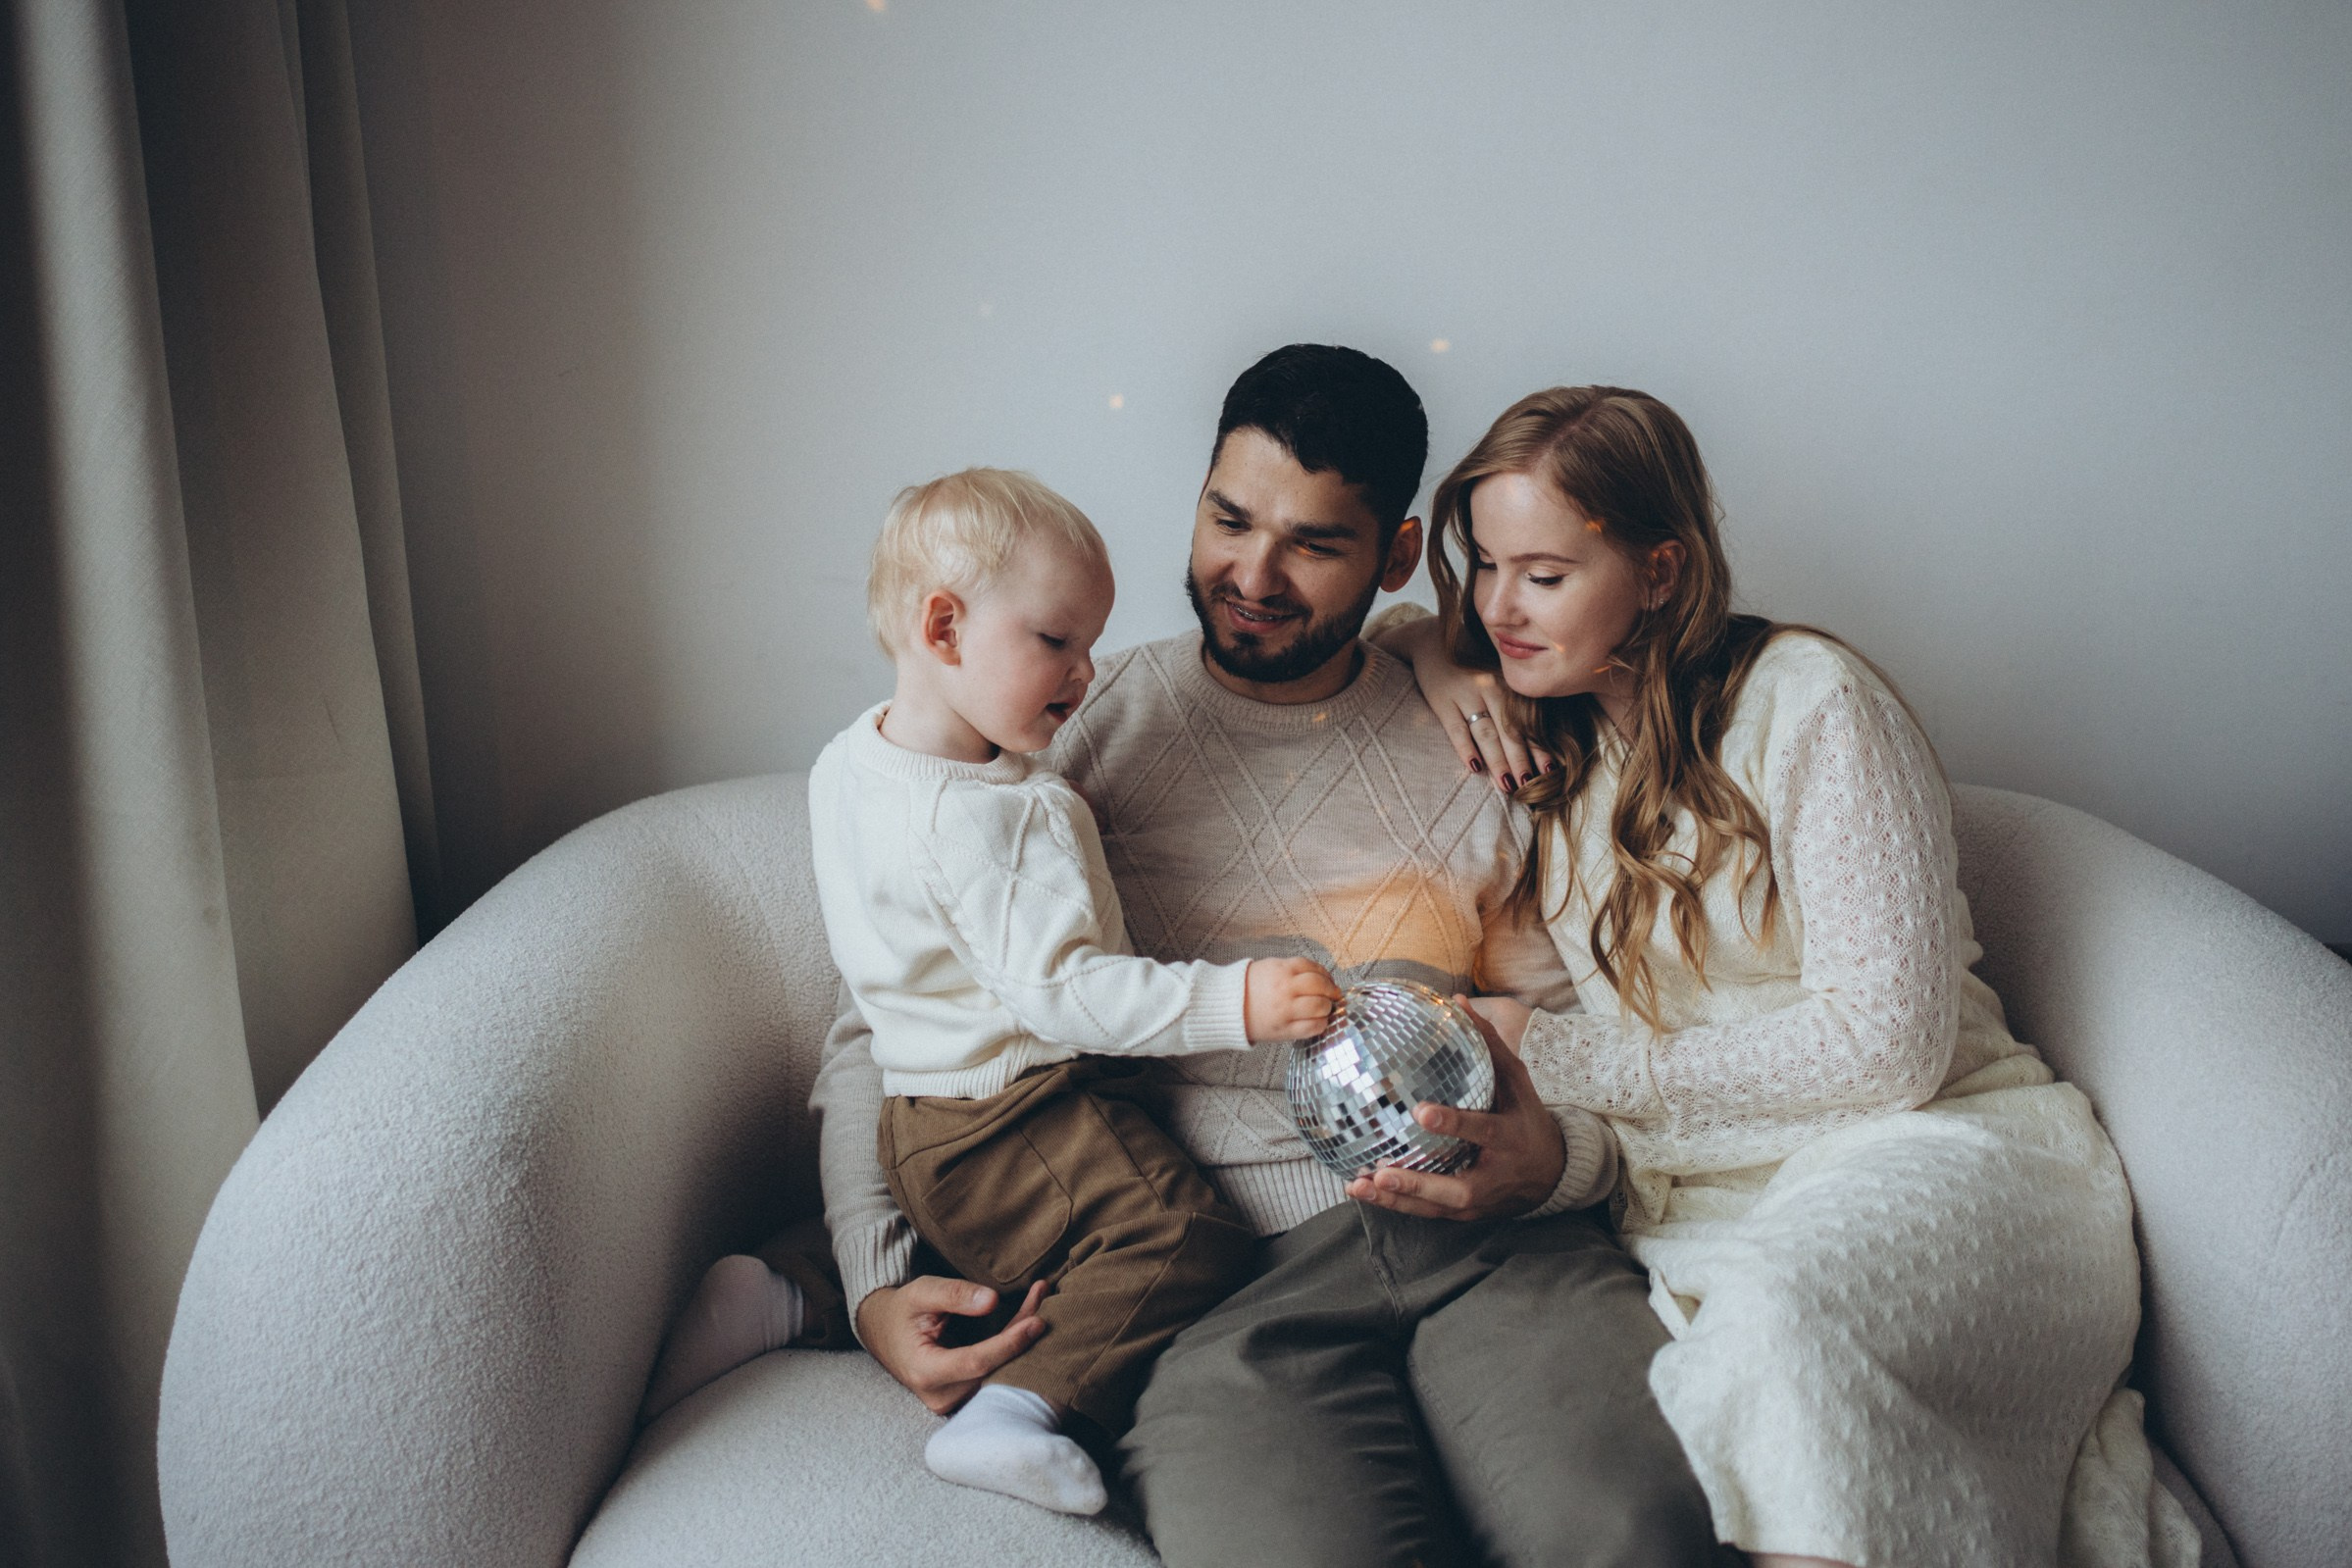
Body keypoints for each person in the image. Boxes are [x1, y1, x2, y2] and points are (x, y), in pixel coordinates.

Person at [814, 346, 1728, 1567]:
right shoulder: (1064, 736)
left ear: (1395, 559)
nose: (1252, 575)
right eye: (1227, 519)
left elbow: (1585, 1031)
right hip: (1224, 1279)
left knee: (1633, 1535)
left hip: (1498, 1247)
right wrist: (871, 1284)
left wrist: (1557, 1162)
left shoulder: (1488, 743)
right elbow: (881, 1023)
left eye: (1313, 545)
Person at [1378, 384, 2197, 1568]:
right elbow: (1381, 635)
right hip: (1707, 1209)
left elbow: (1887, 1051)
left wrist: (1548, 1053)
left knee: (1783, 1322)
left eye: (1544, 575)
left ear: (1659, 572)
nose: (1499, 608)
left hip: (1944, 1147)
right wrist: (1427, 650)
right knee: (1700, 1398)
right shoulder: (1555, 751)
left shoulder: (1810, 704)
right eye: (1484, 568)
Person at [803, 467, 1340, 1514]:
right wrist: (1237, 1004)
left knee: (1005, 1258)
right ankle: (1019, 1413)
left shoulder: (851, 759)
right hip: (1016, 1113)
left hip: (920, 1125)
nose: (1087, 672)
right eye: (1055, 642)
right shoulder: (1002, 819)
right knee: (1184, 1236)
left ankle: (781, 1294)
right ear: (944, 627)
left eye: (1090, 643)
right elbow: (1065, 995)